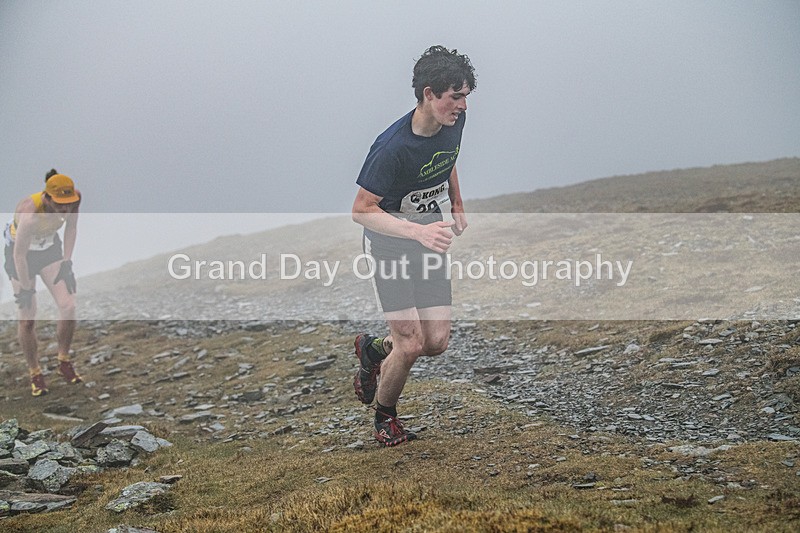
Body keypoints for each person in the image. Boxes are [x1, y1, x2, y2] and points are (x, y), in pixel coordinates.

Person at [351, 45, 476, 446]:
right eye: (454, 97)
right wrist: (417, 231)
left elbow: (447, 155)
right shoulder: (391, 148)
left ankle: (374, 349)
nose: (461, 106)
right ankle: (385, 419)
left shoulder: (453, 121)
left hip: (430, 238)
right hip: (389, 246)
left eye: (465, 96)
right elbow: (361, 210)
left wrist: (456, 202)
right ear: (428, 94)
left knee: (435, 342)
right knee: (411, 342)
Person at [4, 169, 82, 396]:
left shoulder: (74, 198)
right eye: (59, 204)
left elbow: (72, 227)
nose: (65, 209)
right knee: (27, 318)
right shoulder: (29, 212)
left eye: (68, 204)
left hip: (49, 249)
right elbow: (19, 256)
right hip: (21, 254)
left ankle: (64, 360)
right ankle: (35, 373)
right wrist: (26, 288)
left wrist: (67, 263)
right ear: (47, 198)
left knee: (68, 305)